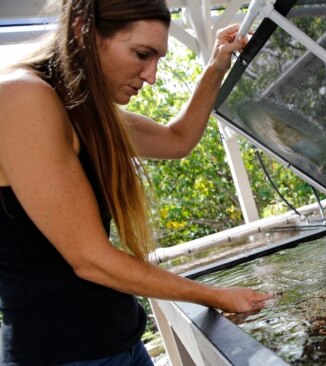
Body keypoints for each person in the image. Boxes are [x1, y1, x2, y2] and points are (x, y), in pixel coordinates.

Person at [0, 0, 271, 364]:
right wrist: (217, 296)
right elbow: (89, 258)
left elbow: (177, 139)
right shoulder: (21, 97)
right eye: (142, 54)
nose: (152, 76)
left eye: (157, 59)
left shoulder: (84, 110)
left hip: (120, 343)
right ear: (84, 29)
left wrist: (217, 64)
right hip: (62, 355)